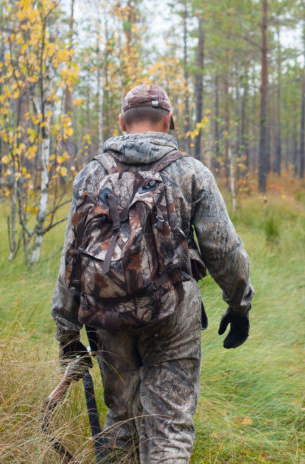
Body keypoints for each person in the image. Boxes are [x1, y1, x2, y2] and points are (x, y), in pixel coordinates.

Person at [50, 83, 254, 463]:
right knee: (169, 427)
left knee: (120, 423)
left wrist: (67, 332)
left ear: (122, 123)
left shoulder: (91, 174)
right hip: (172, 313)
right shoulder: (190, 172)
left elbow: (71, 259)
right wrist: (239, 305)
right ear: (168, 121)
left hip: (106, 318)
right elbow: (224, 250)